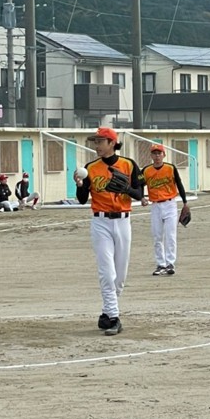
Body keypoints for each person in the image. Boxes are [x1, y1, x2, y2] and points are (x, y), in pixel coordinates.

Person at [74, 127, 143, 336]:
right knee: (107, 272)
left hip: (123, 221)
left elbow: (140, 193)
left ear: (112, 143)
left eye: (100, 141)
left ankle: (105, 314)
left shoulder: (128, 165)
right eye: (95, 142)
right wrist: (79, 184)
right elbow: (82, 199)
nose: (96, 146)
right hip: (100, 222)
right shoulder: (90, 167)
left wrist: (126, 190)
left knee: (119, 277)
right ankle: (114, 317)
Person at [140, 143, 191, 276]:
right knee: (157, 236)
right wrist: (141, 197)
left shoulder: (170, 168)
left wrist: (185, 203)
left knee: (170, 235)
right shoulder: (146, 170)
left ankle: (170, 263)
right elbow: (139, 184)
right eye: (154, 153)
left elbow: (179, 184)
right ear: (151, 155)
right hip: (155, 205)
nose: (157, 156)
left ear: (164, 155)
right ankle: (160, 264)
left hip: (170, 204)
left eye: (159, 153)